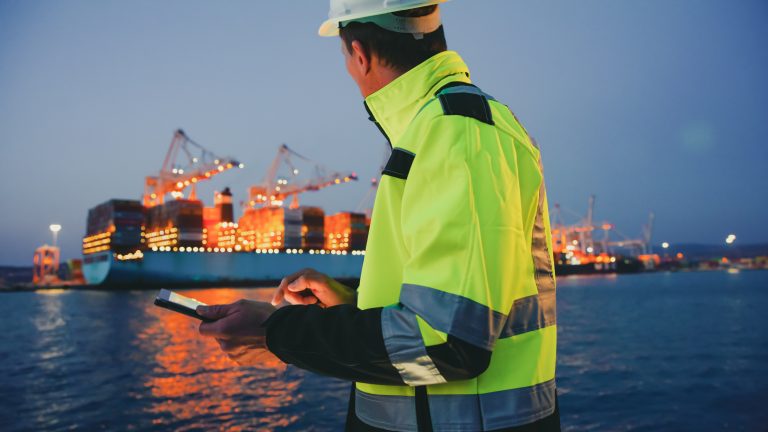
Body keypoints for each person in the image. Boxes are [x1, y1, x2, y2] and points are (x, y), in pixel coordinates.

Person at [197, 1, 560, 430]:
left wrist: (277, 332)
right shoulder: (441, 129)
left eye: (346, 60)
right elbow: (455, 307)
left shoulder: (454, 133)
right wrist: (351, 304)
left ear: (360, 53)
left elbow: (448, 342)